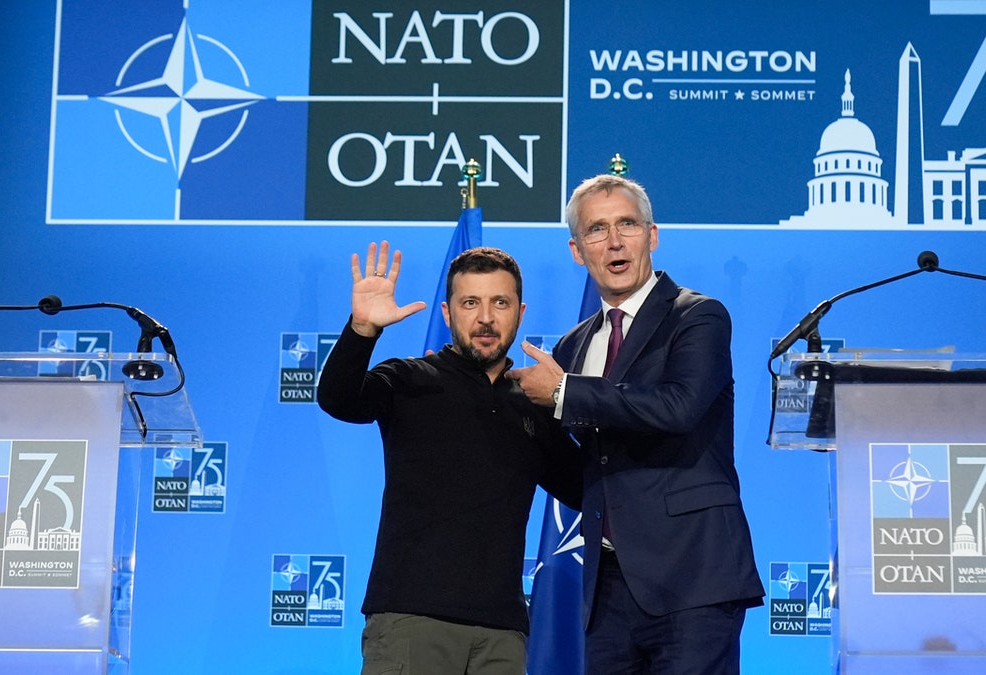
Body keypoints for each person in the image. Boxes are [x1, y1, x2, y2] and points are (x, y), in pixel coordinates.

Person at [506, 176, 765, 674]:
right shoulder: (572, 346)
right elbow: (584, 470)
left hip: (694, 580)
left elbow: (678, 407)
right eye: (597, 230)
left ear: (652, 234)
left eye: (627, 224)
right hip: (607, 592)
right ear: (578, 251)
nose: (615, 240)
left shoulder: (698, 316)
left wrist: (562, 393)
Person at [317, 241, 582, 675]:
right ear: (447, 313)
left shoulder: (533, 405)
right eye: (470, 302)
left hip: (503, 635)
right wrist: (362, 329)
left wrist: (582, 400)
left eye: (500, 302)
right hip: (411, 622)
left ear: (520, 312)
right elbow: (339, 399)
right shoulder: (409, 379)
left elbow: (588, 487)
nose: (485, 318)